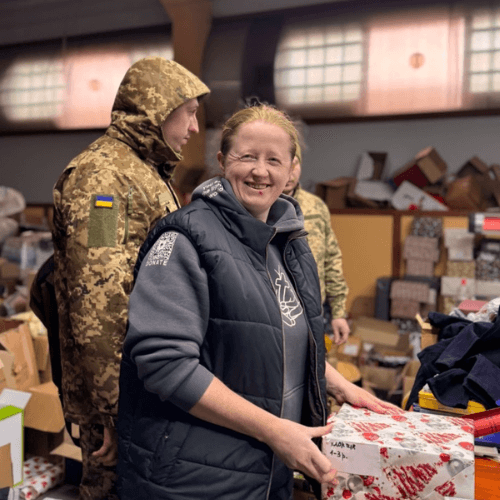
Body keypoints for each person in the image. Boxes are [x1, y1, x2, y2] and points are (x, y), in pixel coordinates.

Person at [116, 104, 400, 500]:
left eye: (273, 160)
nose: (260, 171)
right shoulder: (185, 239)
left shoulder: (287, 240)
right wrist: (274, 430)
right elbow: (166, 365)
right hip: (194, 478)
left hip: (264, 469)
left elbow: (283, 334)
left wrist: (337, 384)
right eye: (246, 156)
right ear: (221, 161)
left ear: (291, 170)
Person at [51, 56, 209, 500]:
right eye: (190, 112)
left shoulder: (142, 171)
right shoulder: (103, 178)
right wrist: (112, 411)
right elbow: (97, 298)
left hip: (144, 386)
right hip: (122, 397)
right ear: (157, 109)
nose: (194, 128)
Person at [283, 148, 350, 345]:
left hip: (313, 311)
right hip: (275, 313)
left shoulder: (316, 207)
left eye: (294, 163)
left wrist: (338, 312)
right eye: (282, 163)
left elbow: (331, 259)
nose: (290, 171)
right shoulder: (260, 206)